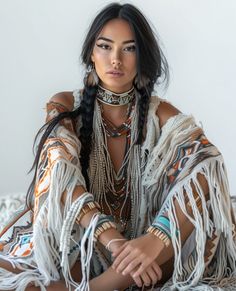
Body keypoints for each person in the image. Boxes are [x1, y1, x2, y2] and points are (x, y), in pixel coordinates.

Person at [0, 2, 236, 291]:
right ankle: (111, 280)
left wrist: (153, 240)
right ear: (91, 52)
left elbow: (208, 162)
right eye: (105, 46)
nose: (115, 59)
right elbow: (59, 172)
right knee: (26, 273)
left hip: (143, 243)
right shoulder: (64, 104)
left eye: (129, 48)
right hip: (85, 236)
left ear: (143, 56)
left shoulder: (160, 114)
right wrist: (111, 238)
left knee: (203, 184)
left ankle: (100, 286)